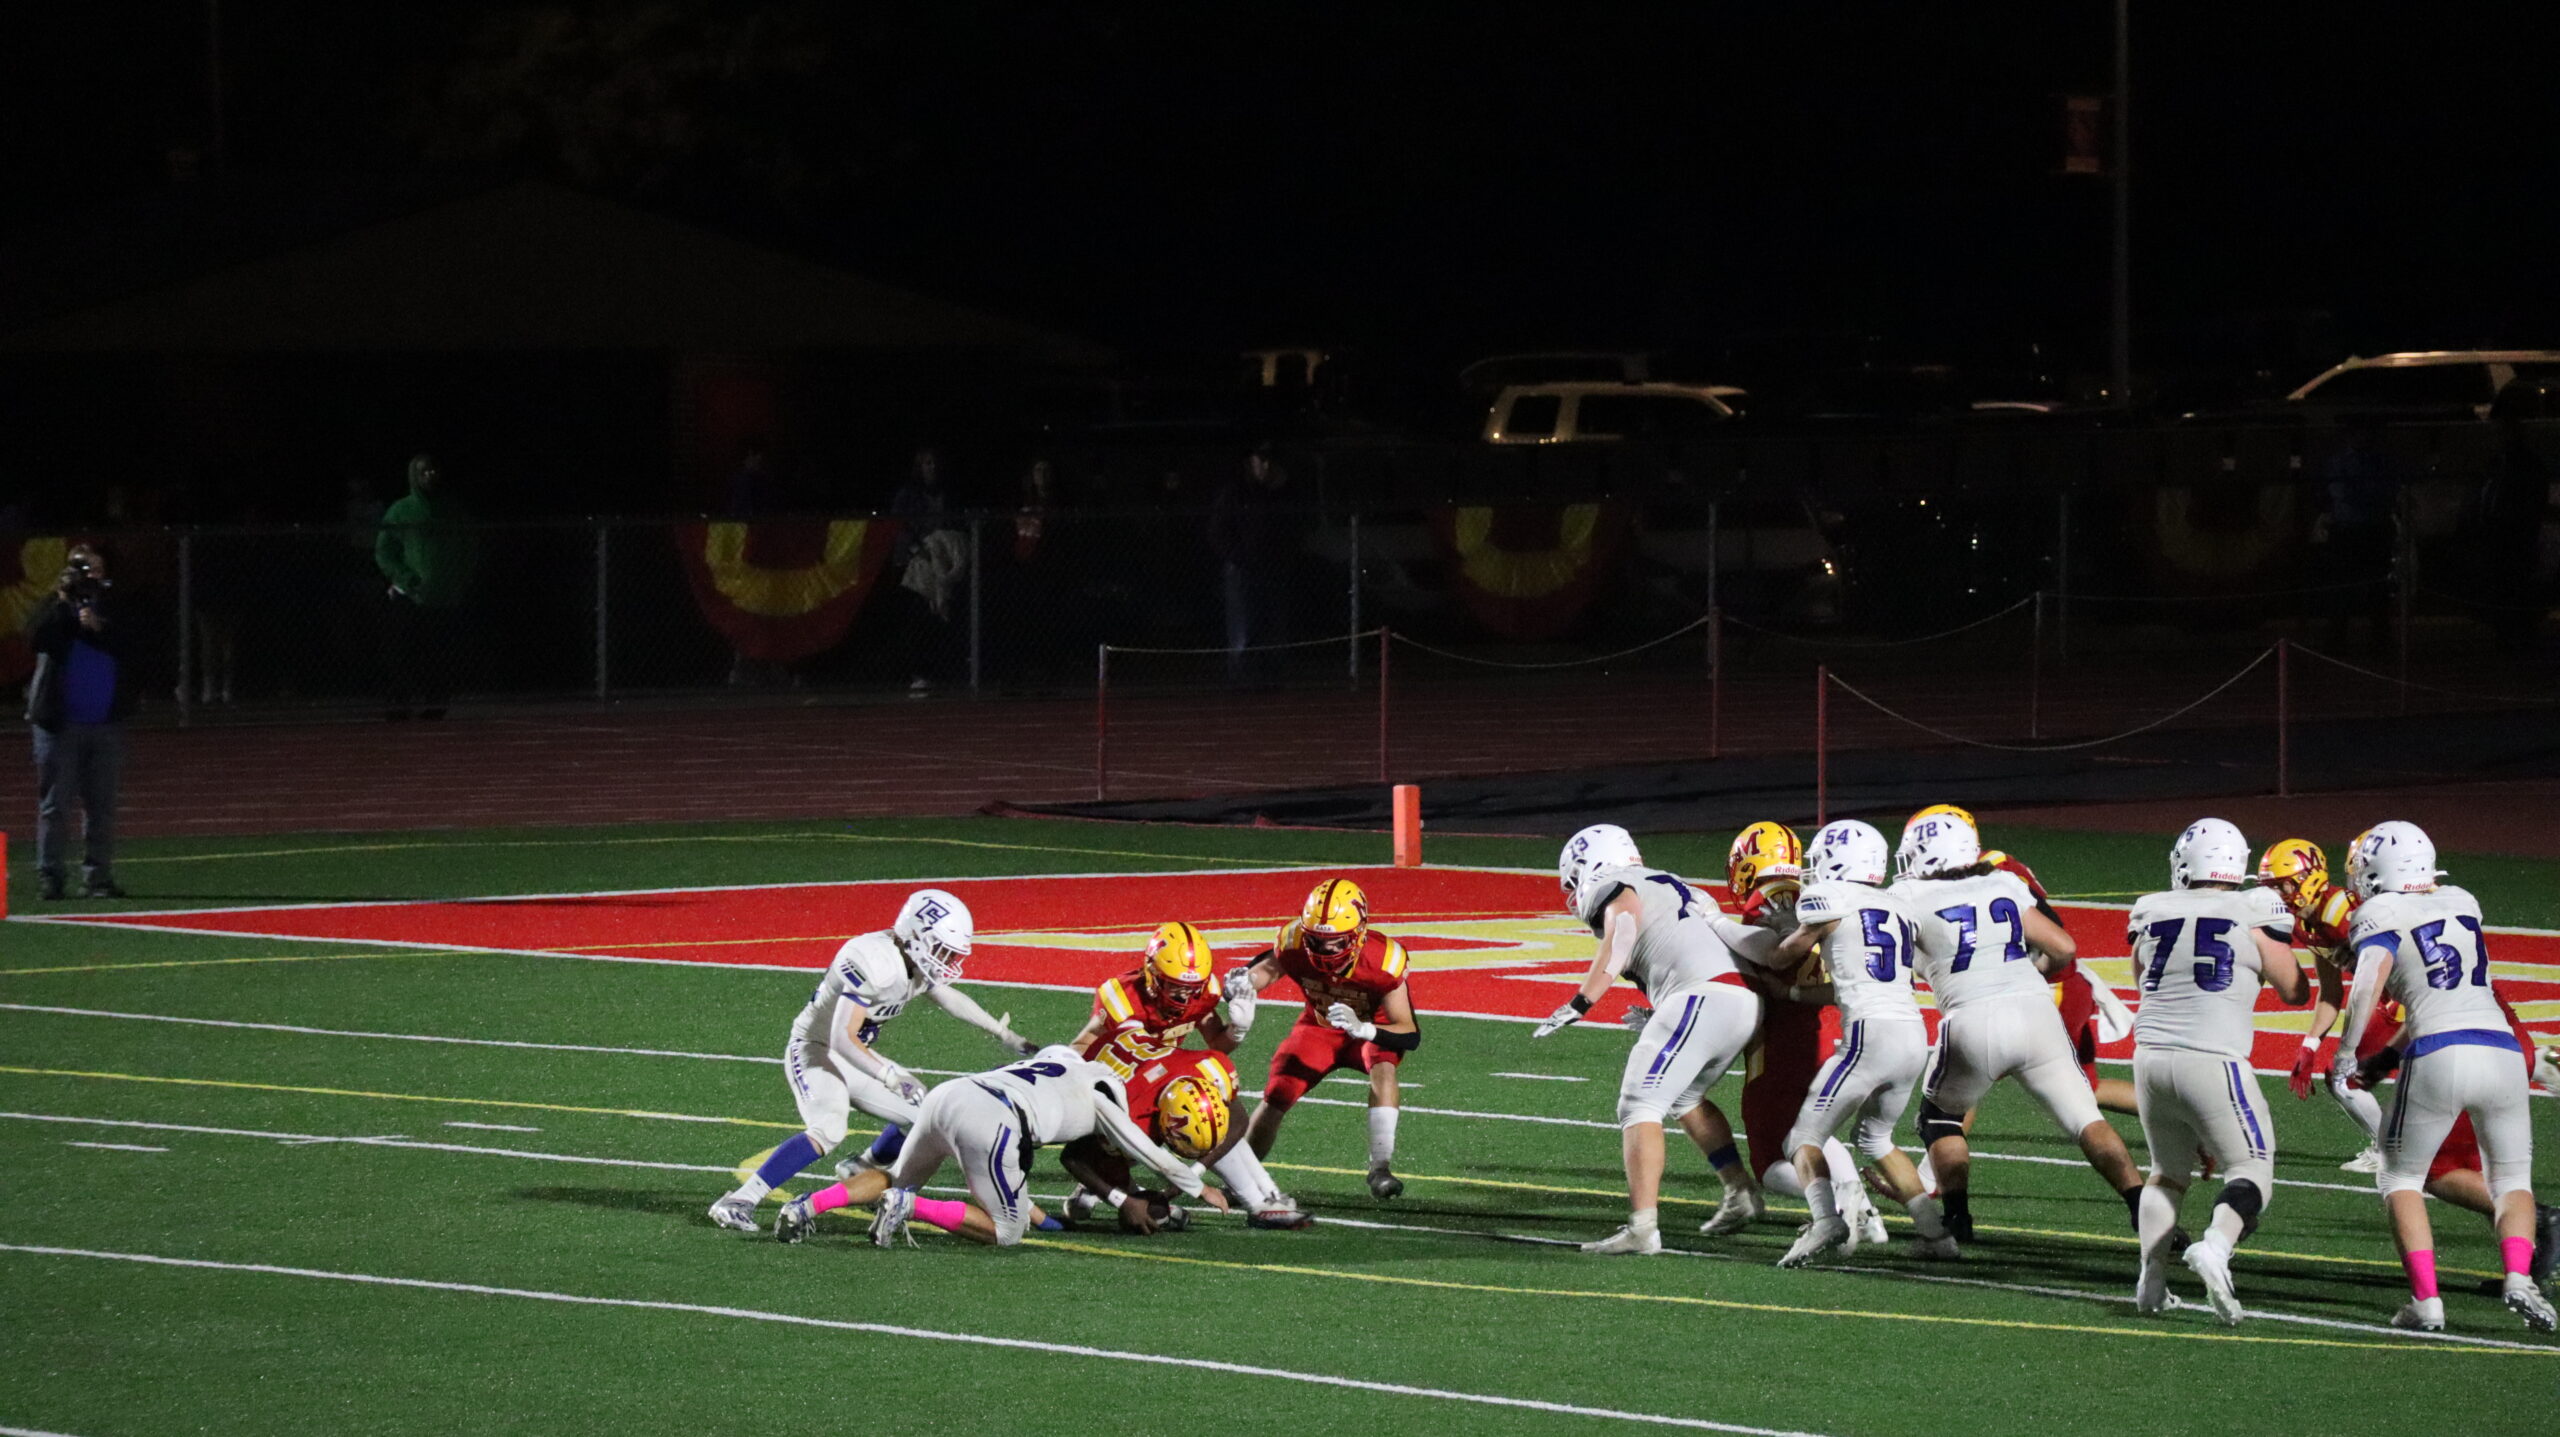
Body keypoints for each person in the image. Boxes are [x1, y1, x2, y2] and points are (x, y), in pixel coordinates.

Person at [705, 889, 1037, 1234]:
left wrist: (1002, 1032)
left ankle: (863, 1166)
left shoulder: (910, 960)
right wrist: (889, 1075)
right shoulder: (872, 960)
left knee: (927, 1117)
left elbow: (945, 995)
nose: (947, 959)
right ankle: (739, 1200)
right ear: (916, 935)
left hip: (853, 1055)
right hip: (816, 1049)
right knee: (829, 1128)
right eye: (941, 949)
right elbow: (841, 1037)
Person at [1892, 806, 2147, 1245]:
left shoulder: (1907, 896)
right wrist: (2028, 973)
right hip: (2036, 1012)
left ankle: (1957, 1219)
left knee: (1941, 1119)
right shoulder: (2002, 882)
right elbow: (2064, 947)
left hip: (1971, 1018)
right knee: (2086, 1118)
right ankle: (2142, 1206)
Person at [2337, 821, 2554, 1333]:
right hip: (2502, 1048)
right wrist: (2387, 1057)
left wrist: (2347, 1052)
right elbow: (2443, 986)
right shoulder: (2462, 901)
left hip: (2439, 1050)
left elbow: (2367, 987)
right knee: (2511, 1182)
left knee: (2400, 1178)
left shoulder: (2379, 913)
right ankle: (2519, 1277)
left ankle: (2427, 1302)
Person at [1535, 823, 1765, 1256]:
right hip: (1742, 999)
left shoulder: (1612, 884)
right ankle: (1740, 1190)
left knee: (1638, 1103)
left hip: (1704, 996)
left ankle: (1643, 1228)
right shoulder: (1672, 883)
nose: (1573, 891)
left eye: (1573, 879)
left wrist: (1583, 1000)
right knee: (1684, 1096)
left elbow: (1623, 928)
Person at [2124, 819, 2306, 1325]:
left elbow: (2142, 979)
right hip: (2213, 1059)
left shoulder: (2150, 909)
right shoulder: (2253, 909)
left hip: (2150, 1058)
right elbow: (2294, 990)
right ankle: (2216, 1247)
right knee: (2252, 1171)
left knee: (2166, 1173)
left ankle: (2151, 1284)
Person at [784, 1045, 1230, 1248]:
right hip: (994, 1119)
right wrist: (1199, 1187)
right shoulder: (1102, 1095)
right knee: (1007, 1232)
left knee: (897, 1175)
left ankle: (808, 1206)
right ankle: (910, 1206)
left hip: (951, 1093)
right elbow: (1146, 1150)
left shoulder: (1052, 1066)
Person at [1764, 819, 1959, 1267]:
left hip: (1870, 1035)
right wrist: (1791, 994)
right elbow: (1850, 981)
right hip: (1913, 1035)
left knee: (1802, 1137)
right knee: (1875, 1138)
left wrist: (1781, 932)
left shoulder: (1829, 897)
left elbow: (1779, 957)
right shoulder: (1899, 905)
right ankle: (1935, 1235)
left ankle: (1825, 1220)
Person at [1063, 920, 1308, 1228]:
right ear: (1152, 974)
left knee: (1206, 1115)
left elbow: (1218, 1044)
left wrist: (1237, 1030)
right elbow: (1079, 1049)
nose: (1184, 997)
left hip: (1163, 1077)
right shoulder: (1122, 999)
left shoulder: (1202, 994)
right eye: (1176, 986)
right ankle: (1113, 1181)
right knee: (1185, 1123)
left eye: (1192, 988)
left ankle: (1264, 1198)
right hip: (1117, 1089)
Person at [1227, 877, 1421, 1199]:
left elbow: (1409, 1033)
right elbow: (1267, 969)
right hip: (1319, 1026)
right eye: (1315, 940)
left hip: (1372, 1028)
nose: (1325, 950)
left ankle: (1380, 1168)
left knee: (1383, 1068)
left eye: (1335, 941)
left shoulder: (1383, 960)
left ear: (1358, 934)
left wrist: (1366, 1030)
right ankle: (1240, 1180)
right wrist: (1242, 983)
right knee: (1278, 1091)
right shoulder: (1294, 941)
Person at [27, 544, 132, 901]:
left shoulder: (115, 608)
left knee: (101, 806)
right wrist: (63, 603)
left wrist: (98, 626)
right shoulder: (55, 609)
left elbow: (132, 646)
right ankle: (51, 875)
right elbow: (36, 637)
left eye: (96, 569)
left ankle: (98, 877)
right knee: (55, 806)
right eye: (83, 569)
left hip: (104, 724)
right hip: (60, 725)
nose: (91, 577)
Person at [374, 454, 475, 720]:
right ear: (413, 476)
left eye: (432, 470)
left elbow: (469, 548)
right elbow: (384, 551)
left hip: (444, 597)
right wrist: (405, 578)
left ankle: (436, 702)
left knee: (438, 653)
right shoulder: (401, 510)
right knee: (400, 651)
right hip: (410, 595)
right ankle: (398, 702)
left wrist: (460, 579)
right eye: (423, 471)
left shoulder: (452, 510)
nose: (430, 475)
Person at [1206, 443, 1292, 681]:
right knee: (1243, 629)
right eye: (1261, 460)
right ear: (1251, 462)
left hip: (1272, 568)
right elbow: (1217, 531)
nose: (1266, 466)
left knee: (1273, 627)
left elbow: (1291, 528)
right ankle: (1242, 680)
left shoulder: (1279, 493)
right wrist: (1240, 557)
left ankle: (1271, 678)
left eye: (1270, 461)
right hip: (1242, 570)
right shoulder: (1236, 492)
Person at [889, 446, 965, 693]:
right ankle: (917, 672)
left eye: (935, 463)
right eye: (927, 463)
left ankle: (943, 670)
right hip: (916, 561)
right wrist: (916, 549)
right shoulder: (908, 494)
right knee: (917, 617)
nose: (932, 467)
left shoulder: (949, 493)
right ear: (919, 467)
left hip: (942, 558)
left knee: (941, 615)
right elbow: (898, 525)